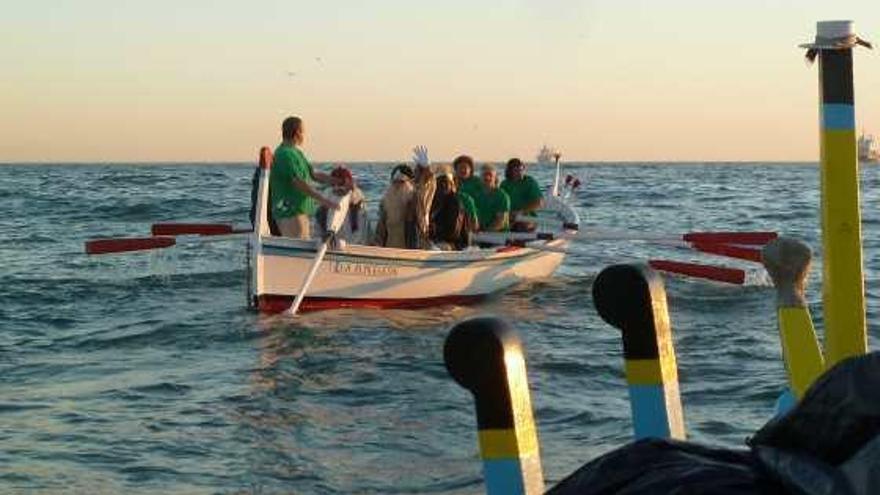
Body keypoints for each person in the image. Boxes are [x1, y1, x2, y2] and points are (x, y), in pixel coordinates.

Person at [269, 116, 339, 239]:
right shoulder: (284, 154)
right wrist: (325, 201)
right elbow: (299, 183)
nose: (304, 135)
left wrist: (338, 181)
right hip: (290, 213)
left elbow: (313, 175)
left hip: (300, 212)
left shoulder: (296, 153)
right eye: (303, 131)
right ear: (297, 132)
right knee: (297, 252)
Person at [315, 166, 368, 244]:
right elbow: (318, 229)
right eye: (334, 184)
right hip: (329, 245)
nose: (337, 188)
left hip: (352, 246)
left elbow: (360, 235)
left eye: (341, 184)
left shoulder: (359, 205)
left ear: (349, 183)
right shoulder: (326, 199)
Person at [429, 168, 476, 250]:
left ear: (452, 185)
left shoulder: (455, 202)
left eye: (445, 182)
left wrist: (433, 230)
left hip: (456, 243)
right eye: (440, 182)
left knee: (435, 248)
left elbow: (453, 232)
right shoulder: (434, 201)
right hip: (438, 240)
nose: (443, 185)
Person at [375, 164, 416, 248]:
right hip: (390, 250)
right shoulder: (385, 202)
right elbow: (380, 230)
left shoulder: (415, 202)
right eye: (394, 182)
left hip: (410, 251)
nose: (397, 185)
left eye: (401, 182)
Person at [500, 158, 543, 232]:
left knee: (520, 227)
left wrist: (521, 212)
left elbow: (539, 203)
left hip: (527, 218)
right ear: (510, 171)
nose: (520, 173)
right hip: (510, 217)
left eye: (521, 170)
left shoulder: (530, 182)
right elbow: (499, 204)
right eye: (516, 170)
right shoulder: (504, 184)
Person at [411, 146, 436, 249]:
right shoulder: (413, 184)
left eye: (417, 170)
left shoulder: (427, 185)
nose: (414, 172)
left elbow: (430, 177)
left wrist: (426, 166)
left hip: (422, 222)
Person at [477, 163, 510, 232]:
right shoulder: (477, 194)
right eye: (484, 175)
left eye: (490, 175)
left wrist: (485, 232)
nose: (487, 177)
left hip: (498, 235)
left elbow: (500, 222)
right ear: (480, 177)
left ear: (495, 178)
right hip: (480, 231)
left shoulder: (502, 196)